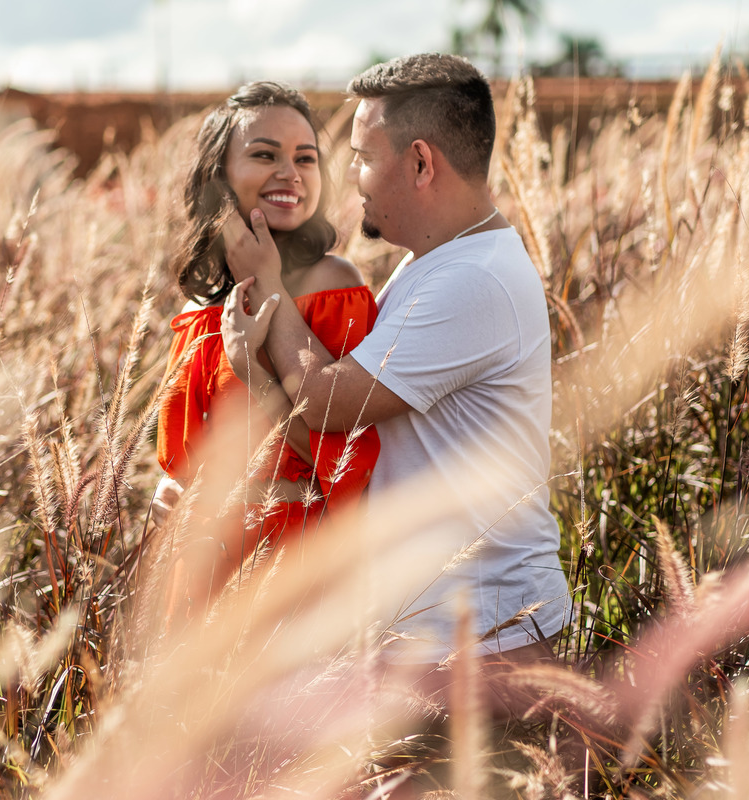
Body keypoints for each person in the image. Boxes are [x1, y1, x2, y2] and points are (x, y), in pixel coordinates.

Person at [221, 55, 571, 685]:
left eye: (362, 155)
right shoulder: (434, 263)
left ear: (420, 163)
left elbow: (328, 404)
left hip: (483, 643)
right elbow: (346, 442)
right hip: (439, 637)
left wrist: (268, 287)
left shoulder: (472, 280)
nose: (350, 175)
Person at [154, 81, 380, 627]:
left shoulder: (335, 286)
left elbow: (348, 463)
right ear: (218, 176)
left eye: (306, 158)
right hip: (202, 560)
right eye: (264, 155)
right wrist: (172, 489)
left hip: (294, 562)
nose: (291, 173)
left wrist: (252, 369)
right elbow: (186, 453)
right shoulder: (200, 307)